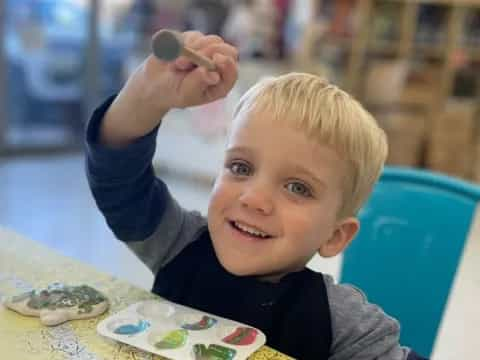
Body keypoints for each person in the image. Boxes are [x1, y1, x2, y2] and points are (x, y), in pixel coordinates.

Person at [85, 31, 428, 360]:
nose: (253, 199)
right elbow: (117, 178)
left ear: (335, 235)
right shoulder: (178, 244)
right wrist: (148, 94)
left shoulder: (346, 327)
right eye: (241, 167)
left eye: (298, 187)